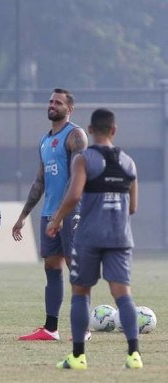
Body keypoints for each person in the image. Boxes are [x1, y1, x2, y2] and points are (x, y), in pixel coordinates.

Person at [48, 108, 142, 370]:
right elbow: (133, 207)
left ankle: (78, 357)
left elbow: (75, 195)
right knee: (123, 294)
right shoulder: (129, 162)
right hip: (121, 237)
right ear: (114, 130)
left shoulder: (84, 159)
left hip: (89, 236)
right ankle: (134, 354)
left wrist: (56, 220)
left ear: (90, 130)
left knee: (81, 292)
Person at [13, 89, 88, 341]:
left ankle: (83, 329)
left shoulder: (75, 135)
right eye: (50, 101)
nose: (52, 105)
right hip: (48, 213)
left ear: (70, 109)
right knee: (51, 267)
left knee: (74, 268)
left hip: (71, 212)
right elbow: (39, 182)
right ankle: (50, 328)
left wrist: (63, 212)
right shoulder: (45, 141)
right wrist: (24, 215)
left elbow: (77, 177)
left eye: (58, 102)